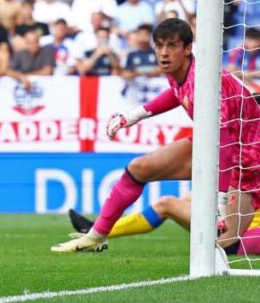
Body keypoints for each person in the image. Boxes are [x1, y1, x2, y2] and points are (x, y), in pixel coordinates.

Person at [53, 18, 260, 253]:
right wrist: (133, 116)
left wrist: (219, 199)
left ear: (187, 48)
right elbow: (176, 93)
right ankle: (95, 235)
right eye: (159, 45)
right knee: (139, 168)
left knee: (225, 244)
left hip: (248, 159)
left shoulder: (209, 84)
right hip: (212, 144)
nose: (163, 52)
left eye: (171, 45)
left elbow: (226, 143)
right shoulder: (181, 71)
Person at [66, 193, 260, 256]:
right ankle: (97, 231)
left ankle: (95, 231)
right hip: (239, 229)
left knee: (167, 204)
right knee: (189, 198)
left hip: (237, 238)